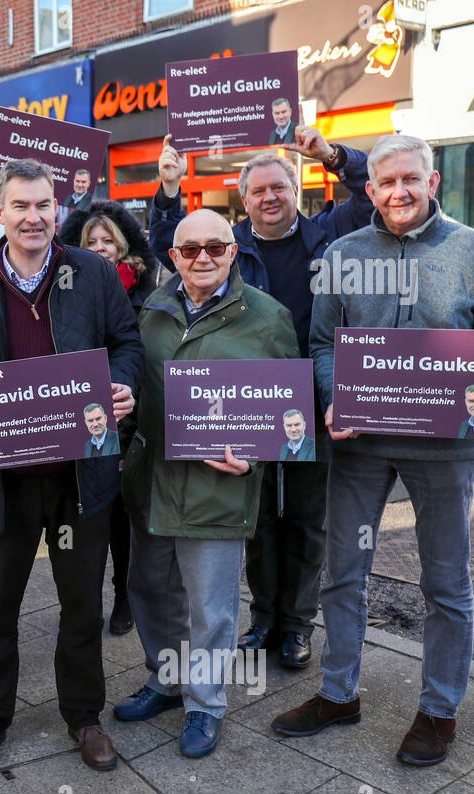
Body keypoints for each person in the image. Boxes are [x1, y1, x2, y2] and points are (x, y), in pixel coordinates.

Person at [272, 134, 474, 766]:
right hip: (361, 445)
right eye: (386, 183)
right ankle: (338, 694)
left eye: (410, 179)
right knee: (343, 574)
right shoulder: (343, 253)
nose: (399, 192)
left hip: (446, 450)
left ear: (432, 181)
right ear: (370, 189)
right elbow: (323, 342)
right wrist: (332, 396)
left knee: (445, 582)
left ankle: (439, 711)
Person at [0, 158, 141, 776]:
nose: (33, 217)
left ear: (57, 209)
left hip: (80, 474)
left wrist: (122, 383)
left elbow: (127, 343)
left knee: (82, 604)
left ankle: (84, 716)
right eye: (20, 206)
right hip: (3, 481)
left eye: (43, 205)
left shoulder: (92, 273)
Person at [151, 124, 375, 669]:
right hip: (246, 398)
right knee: (255, 514)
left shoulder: (328, 234)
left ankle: (297, 625)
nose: (270, 197)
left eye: (279, 187)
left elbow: (369, 193)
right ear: (244, 199)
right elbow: (168, 244)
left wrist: (332, 154)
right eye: (258, 191)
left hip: (314, 398)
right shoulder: (229, 244)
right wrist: (170, 188)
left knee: (307, 516)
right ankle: (264, 618)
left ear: (295, 191)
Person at [116, 209, 300, 757]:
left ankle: (205, 704)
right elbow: (133, 387)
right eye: (190, 249)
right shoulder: (151, 309)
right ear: (173, 257)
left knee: (211, 607)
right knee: (151, 591)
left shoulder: (267, 317)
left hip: (218, 486)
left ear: (233, 252)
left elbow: (288, 412)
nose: (203, 258)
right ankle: (167, 680)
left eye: (215, 247)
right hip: (153, 479)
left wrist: (256, 460)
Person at [58, 200, 159, 636]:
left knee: (122, 516)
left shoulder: (144, 292)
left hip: (127, 416)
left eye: (107, 241)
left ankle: (124, 595)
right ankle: (84, 600)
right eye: (91, 241)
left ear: (122, 247)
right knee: (84, 518)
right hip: (79, 421)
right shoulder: (65, 289)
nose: (100, 247)